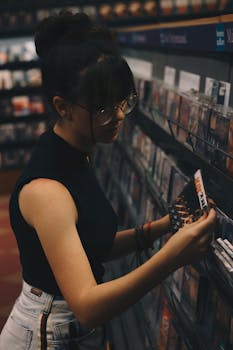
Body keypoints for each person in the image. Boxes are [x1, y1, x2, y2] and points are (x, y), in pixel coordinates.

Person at [0, 10, 216, 350]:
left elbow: (88, 244)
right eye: (102, 107)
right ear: (63, 107)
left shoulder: (74, 152)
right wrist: (173, 256)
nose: (118, 115)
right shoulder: (47, 191)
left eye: (122, 101)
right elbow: (88, 306)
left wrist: (157, 229)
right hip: (47, 337)